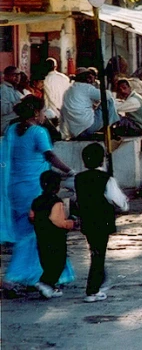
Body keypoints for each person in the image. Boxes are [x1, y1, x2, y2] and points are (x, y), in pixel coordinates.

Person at [0, 95, 75, 289]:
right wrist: (69, 170)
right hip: (34, 188)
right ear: (35, 113)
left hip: (14, 188)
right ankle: (20, 275)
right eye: (42, 111)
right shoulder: (38, 132)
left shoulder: (11, 131)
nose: (43, 115)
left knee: (26, 231)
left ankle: (40, 274)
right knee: (35, 233)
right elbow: (49, 155)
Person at [75, 143, 128, 303]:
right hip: (102, 221)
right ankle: (93, 290)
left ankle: (101, 281)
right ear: (102, 160)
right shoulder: (107, 179)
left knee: (95, 251)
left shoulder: (79, 178)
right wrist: (125, 205)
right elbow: (116, 199)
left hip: (87, 221)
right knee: (99, 254)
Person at [29, 170, 76, 299]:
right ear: (57, 187)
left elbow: (31, 216)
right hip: (56, 237)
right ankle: (45, 283)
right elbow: (57, 220)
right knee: (58, 263)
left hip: (41, 236)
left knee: (46, 261)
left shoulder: (36, 201)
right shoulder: (56, 202)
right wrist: (70, 223)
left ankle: (50, 287)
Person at [60, 67, 119, 140]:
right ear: (87, 78)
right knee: (109, 101)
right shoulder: (86, 88)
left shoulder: (68, 90)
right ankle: (113, 126)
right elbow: (107, 95)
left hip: (76, 131)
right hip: (89, 127)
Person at [1, 65, 23, 135]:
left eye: (19, 75)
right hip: (8, 122)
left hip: (16, 119)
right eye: (14, 75)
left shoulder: (14, 89)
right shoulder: (3, 89)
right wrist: (20, 103)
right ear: (6, 76)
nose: (17, 77)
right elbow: (3, 109)